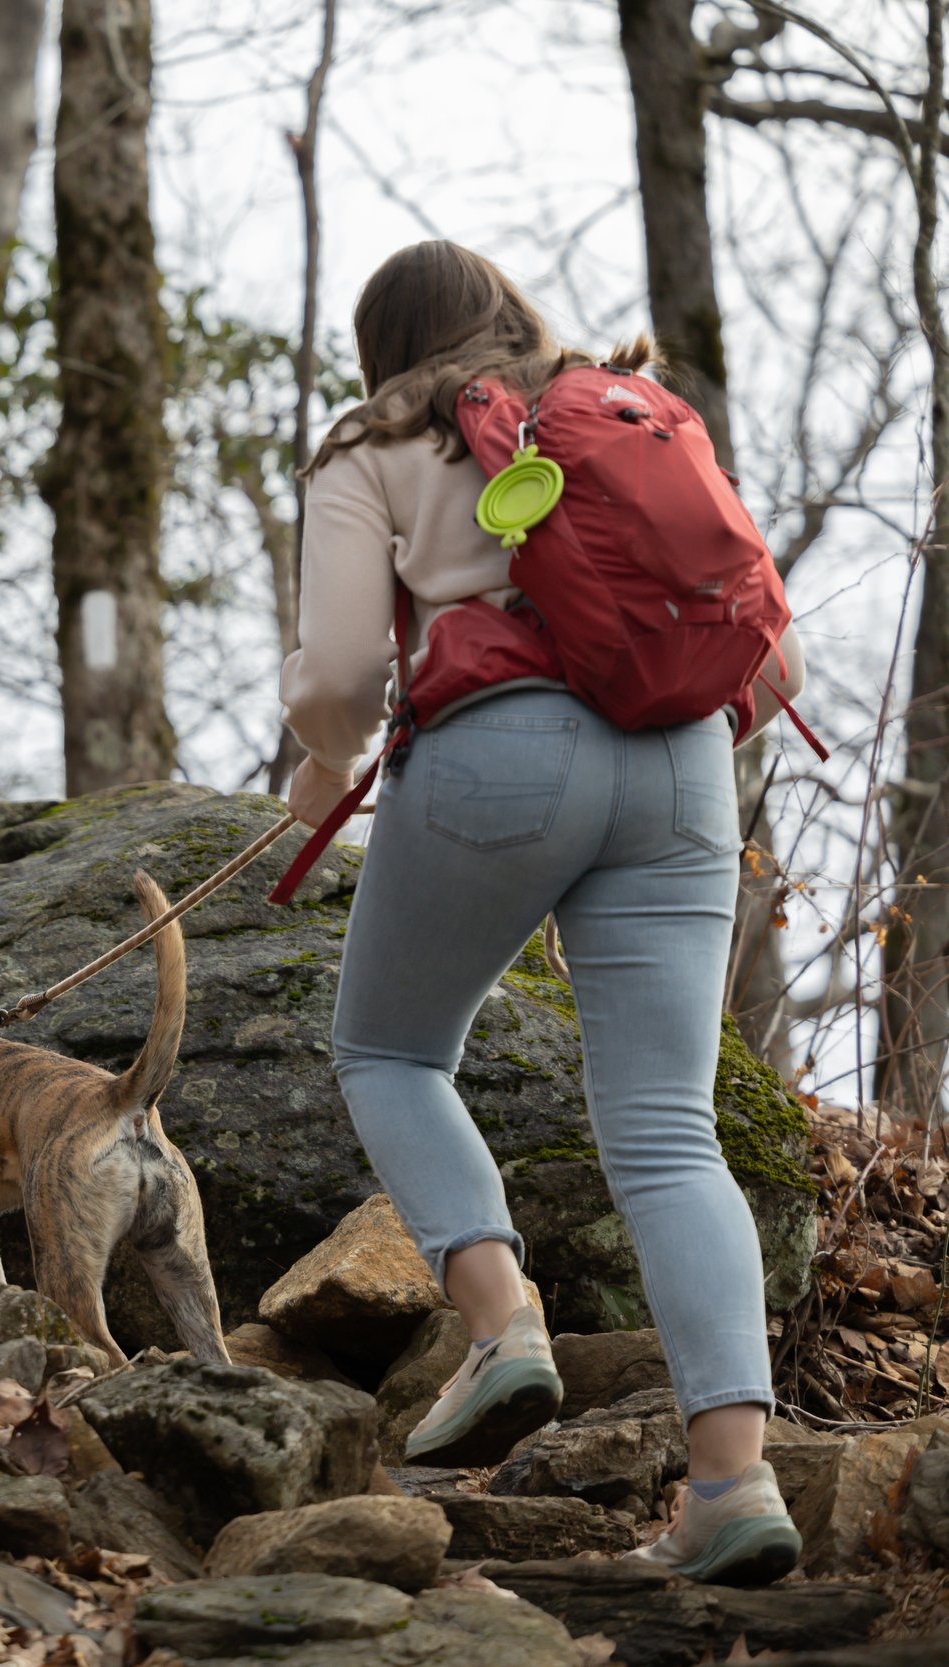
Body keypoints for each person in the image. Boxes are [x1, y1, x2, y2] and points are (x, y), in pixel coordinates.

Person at [280, 241, 809, 1585]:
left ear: (381, 345)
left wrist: (322, 768)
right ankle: (733, 1484)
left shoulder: (375, 439)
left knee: (391, 1050)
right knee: (671, 1129)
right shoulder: (633, 406)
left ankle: (504, 1322)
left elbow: (343, 664)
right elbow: (776, 652)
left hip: (497, 750)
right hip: (687, 761)